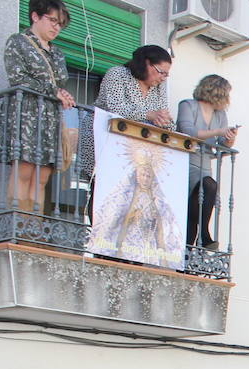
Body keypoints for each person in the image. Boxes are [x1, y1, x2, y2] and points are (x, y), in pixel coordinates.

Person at [0, 0, 76, 212]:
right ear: (35, 16)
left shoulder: (57, 53)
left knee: (42, 176)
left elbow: (58, 84)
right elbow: (18, 78)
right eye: (52, 20)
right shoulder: (18, 42)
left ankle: (34, 228)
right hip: (26, 114)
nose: (56, 27)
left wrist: (61, 93)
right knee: (23, 171)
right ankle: (18, 225)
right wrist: (53, 91)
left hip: (50, 118)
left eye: (60, 24)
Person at [78, 45, 174, 178]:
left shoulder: (159, 87)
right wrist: (148, 115)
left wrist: (165, 121)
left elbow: (164, 115)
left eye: (166, 74)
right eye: (161, 72)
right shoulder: (117, 74)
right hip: (104, 140)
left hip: (135, 152)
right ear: (146, 63)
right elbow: (116, 108)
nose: (163, 78)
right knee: (101, 189)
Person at [176, 75, 238, 250]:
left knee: (204, 196)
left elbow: (220, 145)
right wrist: (218, 130)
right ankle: (200, 237)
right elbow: (187, 130)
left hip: (204, 165)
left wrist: (229, 139)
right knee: (195, 202)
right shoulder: (188, 105)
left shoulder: (220, 115)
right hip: (185, 161)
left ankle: (198, 237)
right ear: (218, 92)